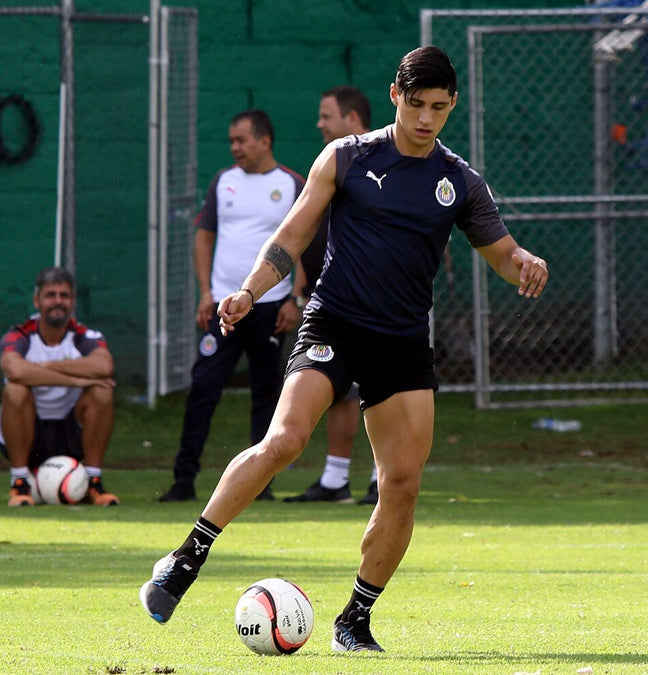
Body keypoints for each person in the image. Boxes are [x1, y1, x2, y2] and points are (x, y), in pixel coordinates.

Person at [140, 46, 549, 653]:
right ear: (395, 95)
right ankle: (185, 559)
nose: (426, 118)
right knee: (285, 440)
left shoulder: (460, 181)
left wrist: (526, 263)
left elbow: (503, 254)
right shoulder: (347, 157)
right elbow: (291, 235)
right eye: (416, 104)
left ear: (453, 105)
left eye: (439, 108)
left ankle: (353, 622)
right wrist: (249, 291)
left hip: (402, 342)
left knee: (401, 482)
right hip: (334, 324)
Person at [158, 109, 303, 503]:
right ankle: (184, 479)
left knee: (266, 393)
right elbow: (204, 236)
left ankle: (261, 484)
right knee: (203, 387)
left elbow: (302, 242)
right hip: (224, 306)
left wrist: (295, 297)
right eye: (231, 141)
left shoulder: (291, 184)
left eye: (242, 140)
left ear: (265, 141)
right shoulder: (223, 182)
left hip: (271, 305)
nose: (235, 147)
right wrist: (206, 292)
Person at [284, 85, 377, 505]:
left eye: (327, 116)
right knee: (340, 388)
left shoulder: (386, 164)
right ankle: (335, 480)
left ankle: (381, 480)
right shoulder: (335, 161)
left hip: (383, 307)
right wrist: (301, 288)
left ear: (352, 118)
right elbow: (305, 233)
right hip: (334, 304)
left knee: (385, 389)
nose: (319, 124)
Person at [0, 266, 119, 507]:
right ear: (37, 301)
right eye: (50, 295)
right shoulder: (19, 335)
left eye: (64, 295)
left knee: (102, 391)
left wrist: (47, 366)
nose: (58, 301)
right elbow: (15, 370)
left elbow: (104, 365)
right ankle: (19, 483)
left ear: (72, 301)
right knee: (15, 390)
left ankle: (93, 483)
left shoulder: (84, 336)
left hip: (70, 431)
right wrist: (77, 379)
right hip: (28, 433)